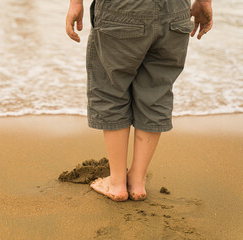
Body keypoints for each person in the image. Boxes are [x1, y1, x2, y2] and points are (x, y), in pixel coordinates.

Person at [65, 0, 213, 201]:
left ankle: (117, 183)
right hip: (175, 9)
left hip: (123, 8)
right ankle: (137, 180)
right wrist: (204, 2)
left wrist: (75, 3)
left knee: (111, 88)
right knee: (157, 91)